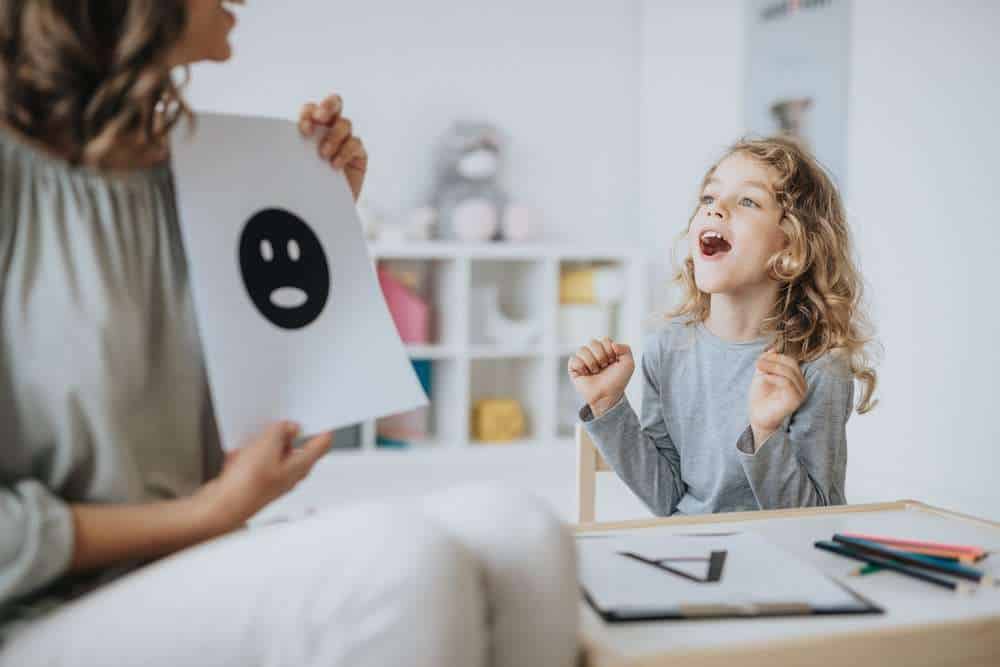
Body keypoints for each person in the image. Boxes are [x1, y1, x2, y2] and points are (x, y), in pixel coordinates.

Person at [0, 2, 578, 665]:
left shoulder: (197, 169)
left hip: (183, 563)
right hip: (43, 605)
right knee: (398, 565)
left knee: (521, 533)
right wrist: (209, 513)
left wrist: (321, 215)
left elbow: (275, 395)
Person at [569, 136, 879, 517]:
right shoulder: (668, 349)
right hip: (689, 551)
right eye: (709, 198)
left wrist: (765, 432)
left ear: (792, 249)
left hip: (780, 560)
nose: (716, 209)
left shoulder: (819, 366)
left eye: (747, 201)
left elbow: (814, 522)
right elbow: (665, 499)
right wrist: (607, 405)